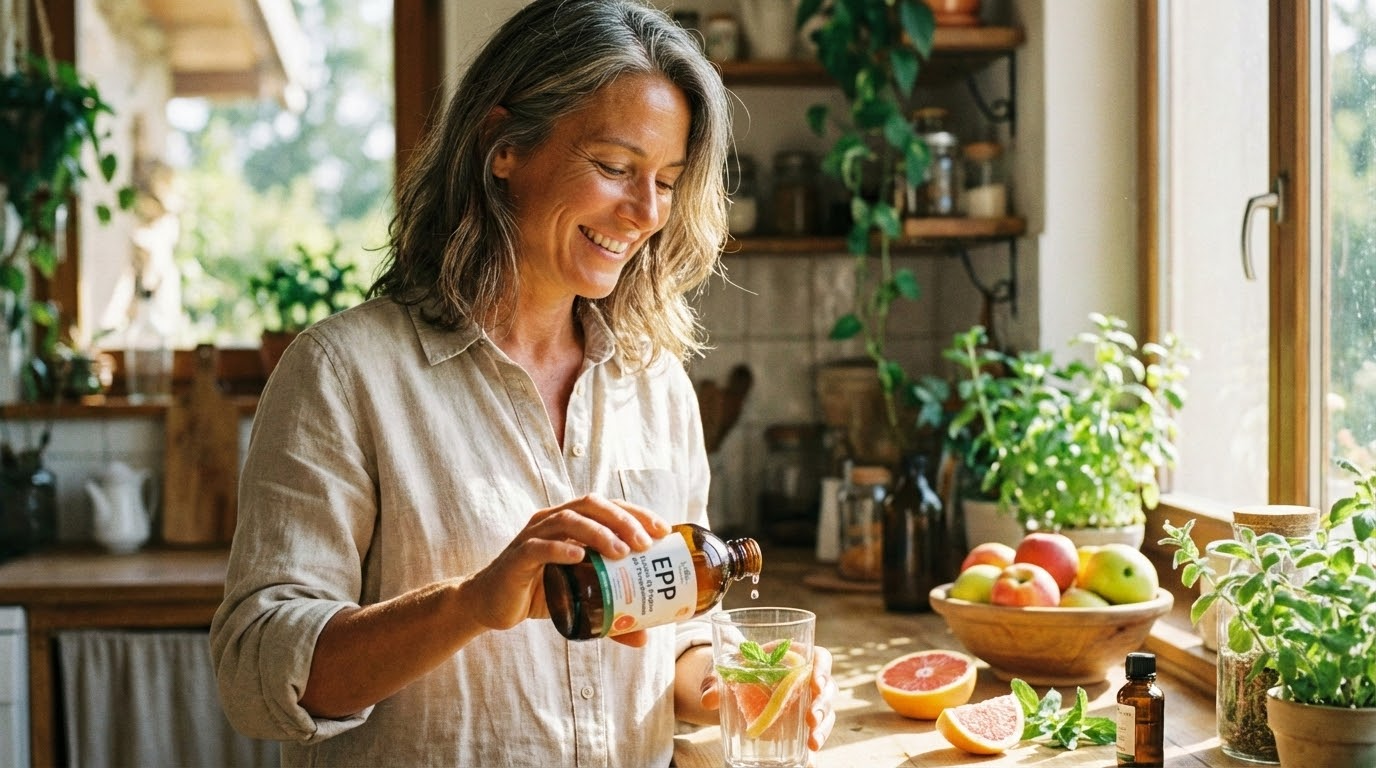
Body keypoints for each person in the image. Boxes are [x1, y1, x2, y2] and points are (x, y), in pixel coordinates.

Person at [209, 1, 838, 765]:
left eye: (667, 181)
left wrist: (735, 684)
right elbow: (255, 677)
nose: (644, 213)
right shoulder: (345, 372)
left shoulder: (656, 381)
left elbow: (670, 634)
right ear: (504, 145)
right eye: (614, 167)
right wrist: (472, 604)